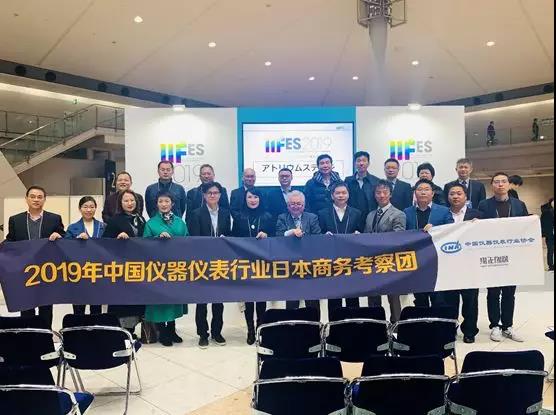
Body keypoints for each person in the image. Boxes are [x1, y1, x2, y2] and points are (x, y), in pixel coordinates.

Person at [478, 172, 529, 343]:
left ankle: (508, 325)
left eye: (503, 181)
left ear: (509, 184)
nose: (500, 184)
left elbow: (526, 227)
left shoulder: (519, 205)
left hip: (513, 255)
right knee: (493, 292)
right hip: (492, 254)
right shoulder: (484, 205)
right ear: (492, 185)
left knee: (509, 292)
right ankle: (495, 326)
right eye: (497, 182)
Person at [6, 186, 65, 328]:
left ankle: (45, 335)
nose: (36, 200)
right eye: (32, 196)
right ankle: (28, 335)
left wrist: (59, 235)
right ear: (26, 199)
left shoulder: (54, 218)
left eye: (39, 197)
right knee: (26, 307)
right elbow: (11, 240)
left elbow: (64, 237)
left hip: (47, 270)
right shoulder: (15, 220)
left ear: (44, 199)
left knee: (46, 307)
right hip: (25, 270)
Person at [189, 182, 232, 349]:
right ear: (204, 195)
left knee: (218, 300)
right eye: (209, 193)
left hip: (220, 262)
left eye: (216, 193)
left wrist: (225, 238)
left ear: (220, 195)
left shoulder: (226, 213)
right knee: (202, 301)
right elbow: (194, 238)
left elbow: (229, 233)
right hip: (202, 262)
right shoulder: (196, 213)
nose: (213, 195)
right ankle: (202, 334)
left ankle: (217, 332)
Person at [143, 192, 189, 347]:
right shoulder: (151, 223)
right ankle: (162, 331)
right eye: (160, 201)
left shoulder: (180, 222)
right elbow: (144, 245)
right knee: (160, 300)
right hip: (158, 268)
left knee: (174, 298)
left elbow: (188, 242)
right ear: (156, 204)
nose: (164, 204)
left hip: (175, 267)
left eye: (167, 201)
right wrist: (156, 239)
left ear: (172, 204)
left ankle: (172, 329)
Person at [232, 188, 274, 345]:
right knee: (249, 298)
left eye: (256, 197)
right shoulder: (239, 217)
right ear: (245, 199)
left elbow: (275, 237)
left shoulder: (268, 216)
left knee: (261, 298)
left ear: (260, 199)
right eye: (250, 197)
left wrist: (267, 236)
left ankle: (260, 329)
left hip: (263, 263)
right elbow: (234, 237)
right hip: (245, 263)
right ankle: (250, 330)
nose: (253, 200)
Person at [103, 190, 146, 337]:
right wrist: (117, 237)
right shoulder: (115, 220)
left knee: (135, 301)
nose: (129, 203)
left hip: (137, 266)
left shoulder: (140, 219)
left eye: (132, 200)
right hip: (120, 267)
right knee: (121, 301)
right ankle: (119, 332)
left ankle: (131, 331)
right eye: (126, 201)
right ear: (120, 203)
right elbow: (105, 242)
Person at [405, 179, 454, 307]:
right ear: (415, 193)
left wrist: (436, 229)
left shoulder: (444, 211)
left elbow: (451, 231)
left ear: (432, 193)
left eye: (426, 190)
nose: (423, 192)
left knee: (438, 298)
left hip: (436, 260)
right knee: (420, 299)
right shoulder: (407, 212)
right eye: (420, 189)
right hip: (416, 261)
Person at [318, 182, 363, 318]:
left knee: (353, 297)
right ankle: (334, 327)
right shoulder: (322, 213)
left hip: (352, 261)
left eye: (344, 193)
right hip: (331, 261)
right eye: (337, 193)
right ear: (332, 196)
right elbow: (318, 235)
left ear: (348, 195)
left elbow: (363, 234)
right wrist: (323, 237)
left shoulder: (357, 213)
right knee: (334, 297)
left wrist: (359, 235)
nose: (341, 195)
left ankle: (353, 325)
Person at [445, 183, 482, 343]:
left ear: (466, 196)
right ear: (448, 197)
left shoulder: (478, 215)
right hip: (448, 264)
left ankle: (469, 331)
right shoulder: (443, 214)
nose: (455, 196)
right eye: (452, 193)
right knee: (449, 300)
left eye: (459, 193)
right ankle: (450, 330)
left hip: (470, 264)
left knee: (470, 301)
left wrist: (480, 226)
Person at [365, 180, 405, 323]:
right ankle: (376, 324)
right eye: (378, 192)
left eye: (385, 192)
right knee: (373, 296)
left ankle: (396, 326)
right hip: (371, 262)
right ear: (374, 195)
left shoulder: (399, 214)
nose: (381, 195)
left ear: (390, 194)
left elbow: (398, 237)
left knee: (393, 297)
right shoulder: (370, 215)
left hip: (390, 261)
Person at [276, 191, 322, 312]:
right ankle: (292, 323)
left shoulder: (312, 217)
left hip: (309, 264)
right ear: (288, 205)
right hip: (290, 265)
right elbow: (278, 236)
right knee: (292, 301)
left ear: (304, 205)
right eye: (292, 204)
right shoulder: (282, 218)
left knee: (312, 301)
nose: (295, 206)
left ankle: (314, 323)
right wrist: (291, 232)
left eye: (299, 204)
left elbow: (317, 237)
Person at [65, 196, 105, 315]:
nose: (88, 210)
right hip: (79, 271)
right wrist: (76, 241)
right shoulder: (72, 227)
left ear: (96, 208)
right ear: (80, 208)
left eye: (92, 207)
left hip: (97, 271)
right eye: (85, 207)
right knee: (79, 308)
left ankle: (95, 326)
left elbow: (109, 247)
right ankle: (79, 326)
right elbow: (65, 247)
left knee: (96, 308)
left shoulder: (103, 226)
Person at [345, 151, 380, 221]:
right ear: (354, 163)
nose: (361, 163)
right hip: (351, 218)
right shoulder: (348, 181)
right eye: (358, 161)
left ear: (368, 163)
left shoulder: (376, 181)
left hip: (370, 218)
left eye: (364, 161)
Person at [541, 198, 554, 271]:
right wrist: (543, 234)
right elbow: (543, 224)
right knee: (550, 250)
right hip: (550, 235)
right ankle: (551, 265)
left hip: (550, 234)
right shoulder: (546, 213)